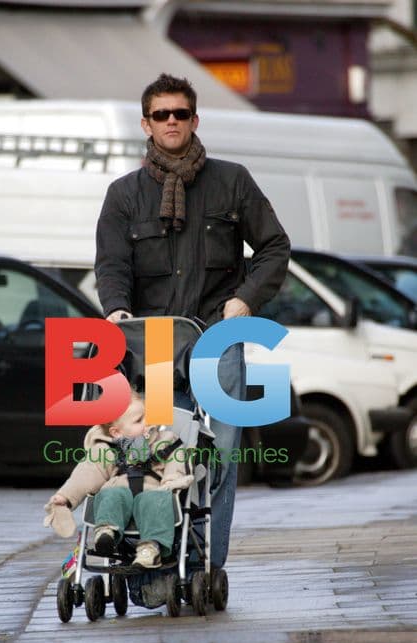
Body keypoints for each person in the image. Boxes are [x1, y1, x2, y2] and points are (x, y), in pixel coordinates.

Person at [94, 73, 291, 569]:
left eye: (180, 113)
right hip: (156, 345)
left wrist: (245, 300)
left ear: (195, 120)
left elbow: (274, 247)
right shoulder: (124, 195)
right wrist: (117, 310)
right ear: (147, 124)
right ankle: (162, 554)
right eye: (161, 115)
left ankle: (205, 564)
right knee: (160, 454)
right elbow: (112, 263)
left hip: (220, 338)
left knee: (221, 456)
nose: (172, 122)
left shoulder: (232, 181)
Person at [44, 394, 193, 570]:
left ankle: (150, 549)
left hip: (152, 492)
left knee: (156, 499)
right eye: (139, 420)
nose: (148, 422)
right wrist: (65, 497)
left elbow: (176, 463)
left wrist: (171, 483)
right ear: (117, 432)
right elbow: (86, 474)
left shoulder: (165, 441)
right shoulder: (107, 450)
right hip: (119, 493)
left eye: (148, 415)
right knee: (110, 494)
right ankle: (106, 532)